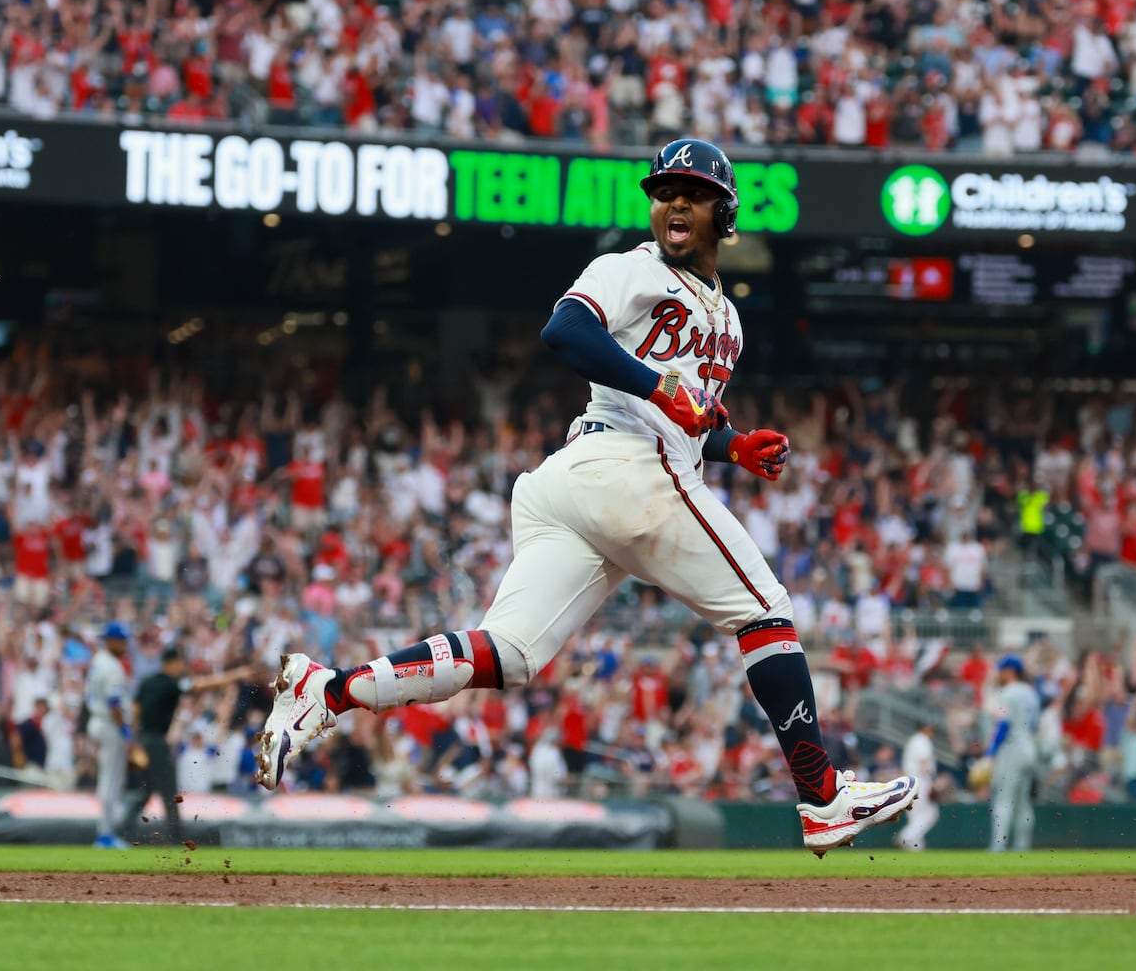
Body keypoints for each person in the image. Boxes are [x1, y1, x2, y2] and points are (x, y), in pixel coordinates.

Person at [254, 137, 918, 856]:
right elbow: (566, 330)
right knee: (765, 611)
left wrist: (734, 445)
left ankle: (329, 692)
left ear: (724, 211)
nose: (675, 203)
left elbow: (680, 418)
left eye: (692, 193)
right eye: (665, 191)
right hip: (617, 471)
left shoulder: (728, 318)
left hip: (587, 482)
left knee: (507, 654)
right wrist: (666, 390)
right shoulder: (630, 268)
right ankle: (822, 799)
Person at [126, 648, 252, 844]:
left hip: (143, 740)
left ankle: (121, 830)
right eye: (179, 664)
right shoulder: (170, 683)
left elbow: (135, 710)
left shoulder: (146, 682)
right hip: (157, 742)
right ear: (172, 662)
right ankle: (176, 837)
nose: (180, 668)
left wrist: (133, 740)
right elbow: (203, 685)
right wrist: (235, 675)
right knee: (169, 791)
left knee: (146, 790)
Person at [85, 622, 133, 849]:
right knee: (111, 780)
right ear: (112, 641)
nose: (124, 645)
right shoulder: (112, 666)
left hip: (97, 722)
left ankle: (106, 832)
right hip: (109, 725)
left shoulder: (98, 660)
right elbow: (115, 704)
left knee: (109, 778)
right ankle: (105, 834)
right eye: (121, 641)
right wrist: (125, 731)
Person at [987, 654, 1040, 852]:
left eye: (1001, 670)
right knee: (1023, 801)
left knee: (1003, 798)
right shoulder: (1031, 692)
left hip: (1012, 748)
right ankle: (1022, 847)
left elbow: (1004, 724)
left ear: (1010, 672)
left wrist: (991, 752)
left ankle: (998, 846)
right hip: (1029, 746)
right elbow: (1034, 724)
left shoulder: (1008, 693)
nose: (998, 674)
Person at [897, 718, 939, 850]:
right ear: (925, 728)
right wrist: (932, 782)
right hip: (920, 782)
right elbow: (924, 763)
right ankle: (907, 836)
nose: (933, 731)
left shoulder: (914, 740)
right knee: (931, 814)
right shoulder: (922, 740)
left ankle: (915, 846)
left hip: (910, 782)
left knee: (916, 816)